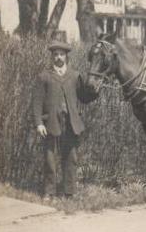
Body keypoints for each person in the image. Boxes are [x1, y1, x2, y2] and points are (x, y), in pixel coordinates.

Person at [32, 41, 98, 199]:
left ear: (66, 57)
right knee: (49, 159)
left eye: (61, 54)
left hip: (71, 123)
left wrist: (95, 90)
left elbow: (84, 97)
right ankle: (49, 192)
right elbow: (37, 102)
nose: (59, 58)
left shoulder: (75, 76)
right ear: (52, 57)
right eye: (55, 55)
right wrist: (39, 123)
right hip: (50, 123)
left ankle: (69, 192)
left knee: (71, 157)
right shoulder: (44, 77)